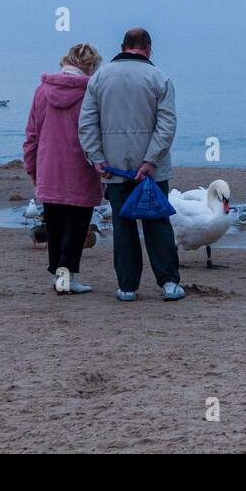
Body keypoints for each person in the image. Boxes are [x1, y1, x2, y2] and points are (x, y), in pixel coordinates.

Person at [78, 27, 183, 302]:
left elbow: (87, 123)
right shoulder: (159, 78)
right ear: (148, 48)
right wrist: (151, 160)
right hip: (152, 170)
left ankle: (127, 286)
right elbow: (167, 125)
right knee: (158, 224)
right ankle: (169, 283)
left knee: (123, 227)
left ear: (122, 46)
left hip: (114, 168)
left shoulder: (99, 78)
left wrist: (96, 157)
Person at [22, 42, 105, 294]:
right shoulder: (91, 94)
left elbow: (32, 135)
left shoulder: (41, 92)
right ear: (91, 66)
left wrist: (32, 168)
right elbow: (97, 133)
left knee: (55, 226)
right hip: (81, 168)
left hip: (49, 168)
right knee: (76, 227)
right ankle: (66, 278)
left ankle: (59, 276)